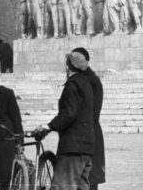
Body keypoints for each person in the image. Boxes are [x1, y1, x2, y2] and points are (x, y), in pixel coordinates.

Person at [39, 52, 95, 190]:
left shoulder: (72, 85)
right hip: (86, 147)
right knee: (82, 186)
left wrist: (49, 126)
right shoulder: (86, 83)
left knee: (62, 186)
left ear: (68, 67)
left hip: (73, 148)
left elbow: (69, 114)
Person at [71, 47, 106, 190]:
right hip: (89, 130)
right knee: (89, 176)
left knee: (88, 176)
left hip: (86, 132)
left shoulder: (87, 81)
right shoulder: (88, 79)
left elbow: (91, 112)